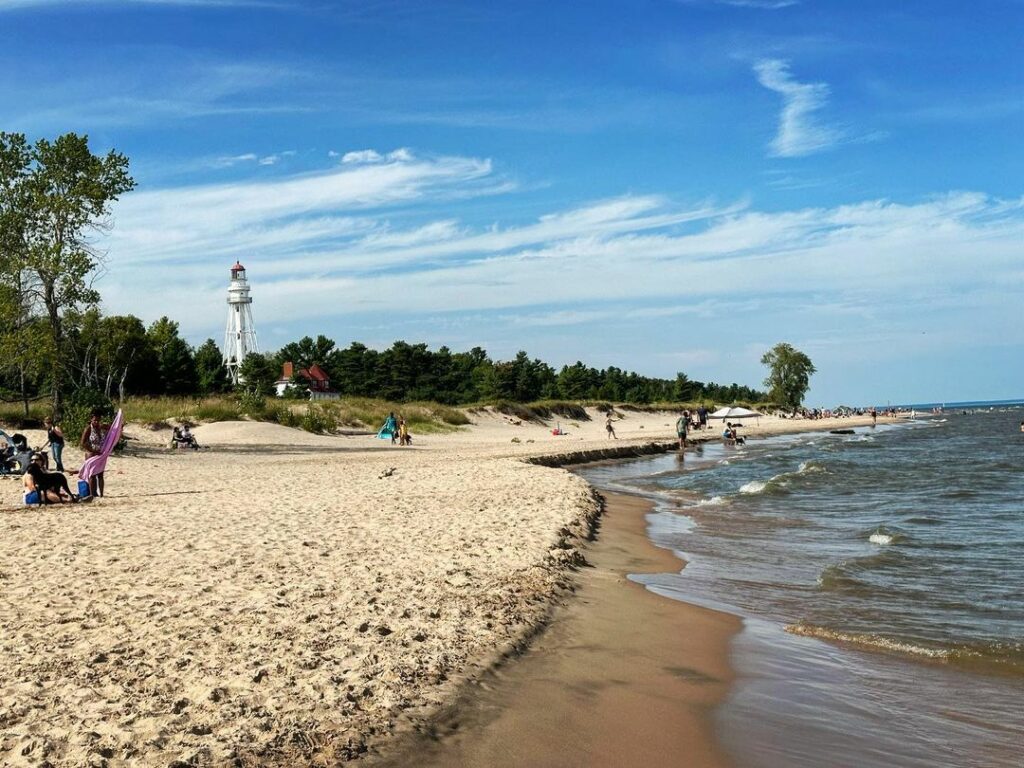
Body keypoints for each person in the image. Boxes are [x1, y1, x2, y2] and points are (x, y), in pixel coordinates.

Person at [79, 411, 109, 497]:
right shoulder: (88, 428)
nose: (96, 422)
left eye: (98, 420)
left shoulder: (101, 427)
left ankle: (101, 495)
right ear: (91, 419)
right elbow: (83, 442)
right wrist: (93, 451)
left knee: (100, 474)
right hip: (91, 454)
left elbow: (112, 428)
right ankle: (93, 494)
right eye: (94, 420)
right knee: (92, 475)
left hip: (101, 454)